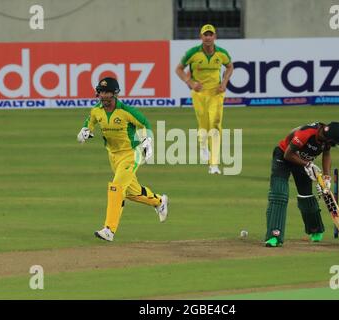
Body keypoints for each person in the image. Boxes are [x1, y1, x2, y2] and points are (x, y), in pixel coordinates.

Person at [77, 77, 168, 242]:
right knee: (130, 192)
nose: (103, 96)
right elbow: (90, 121)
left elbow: (145, 124)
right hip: (113, 155)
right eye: (101, 92)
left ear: (114, 94)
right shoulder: (96, 110)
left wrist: (148, 141)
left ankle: (109, 229)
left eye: (107, 92)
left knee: (116, 187)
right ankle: (159, 201)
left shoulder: (126, 111)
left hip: (132, 154)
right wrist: (85, 130)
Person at [263, 122, 339, 247]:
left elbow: (326, 155)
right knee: (279, 194)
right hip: (283, 156)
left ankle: (315, 230)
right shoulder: (306, 134)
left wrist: (326, 177)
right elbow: (288, 154)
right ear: (329, 138)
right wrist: (308, 164)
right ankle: (274, 236)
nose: (332, 145)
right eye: (333, 143)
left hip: (302, 162)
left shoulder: (325, 138)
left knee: (306, 196)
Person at [175, 24, 234, 175]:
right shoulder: (193, 53)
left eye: (210, 34)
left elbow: (229, 67)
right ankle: (202, 146)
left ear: (215, 37)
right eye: (205, 35)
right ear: (201, 37)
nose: (208, 37)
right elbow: (179, 69)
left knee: (215, 124)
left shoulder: (221, 53)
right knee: (204, 124)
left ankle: (213, 164)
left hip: (216, 93)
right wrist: (190, 83)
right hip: (199, 94)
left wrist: (224, 83)